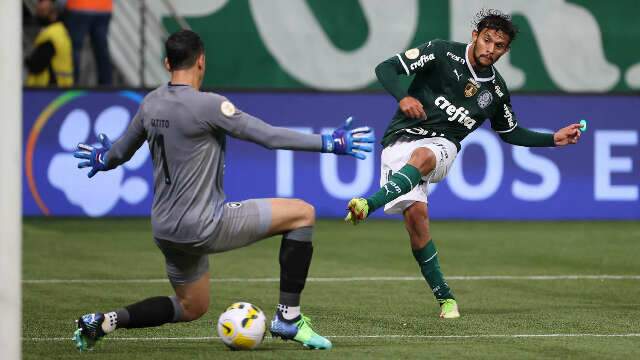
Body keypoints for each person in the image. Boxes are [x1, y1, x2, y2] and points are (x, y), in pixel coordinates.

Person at [71, 30, 374, 351]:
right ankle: (288, 318)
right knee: (303, 214)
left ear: (166, 63)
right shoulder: (211, 106)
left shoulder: (150, 103)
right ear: (201, 61)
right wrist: (330, 142)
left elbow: (116, 155)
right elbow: (268, 136)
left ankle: (104, 321)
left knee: (191, 306)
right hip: (204, 225)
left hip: (165, 229)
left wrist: (101, 158)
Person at [345, 9, 582, 319]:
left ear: (505, 50)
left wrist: (554, 139)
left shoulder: (495, 91)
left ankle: (367, 203)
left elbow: (510, 132)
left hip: (442, 147)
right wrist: (403, 97)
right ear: (475, 36)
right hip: (399, 140)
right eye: (486, 41)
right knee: (417, 222)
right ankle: (446, 299)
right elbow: (386, 68)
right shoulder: (440, 52)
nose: (490, 49)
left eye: (499, 46)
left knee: (425, 156)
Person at [25, 0, 73, 87]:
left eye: (42, 11)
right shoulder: (61, 31)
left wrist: (24, 61)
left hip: (47, 89)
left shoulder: (50, 35)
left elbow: (36, 65)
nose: (38, 14)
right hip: (60, 87)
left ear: (53, 15)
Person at [64, 0, 113, 85]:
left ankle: (71, 84)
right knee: (102, 50)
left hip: (78, 6)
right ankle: (107, 87)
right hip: (103, 8)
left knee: (74, 49)